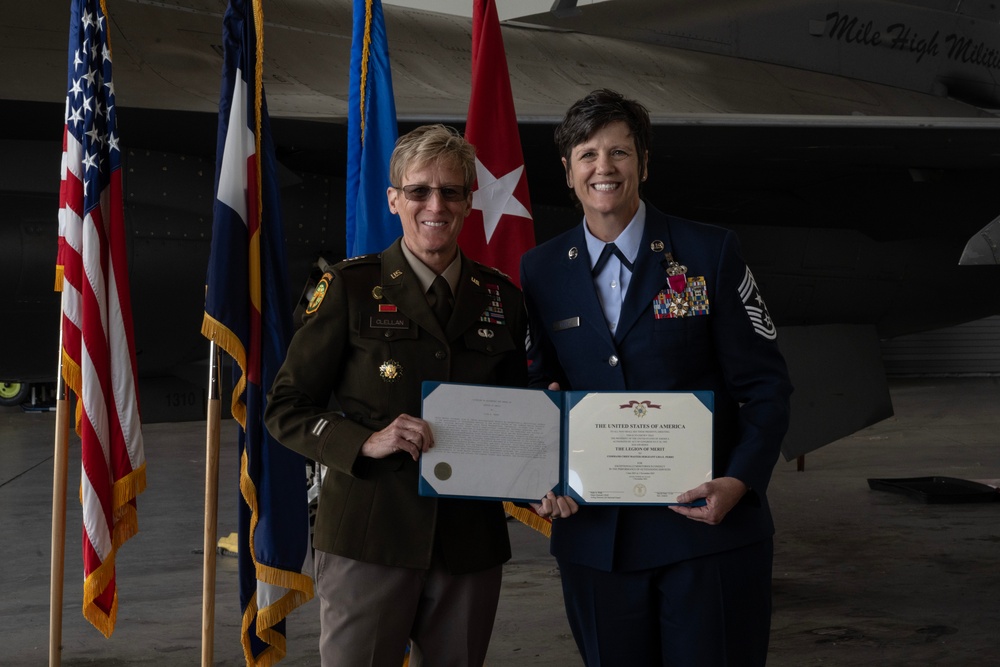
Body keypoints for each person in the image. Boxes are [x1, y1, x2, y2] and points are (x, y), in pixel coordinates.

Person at [521, 89, 793, 666]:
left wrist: (740, 483)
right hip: (596, 542)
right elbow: (539, 390)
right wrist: (538, 475)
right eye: (588, 154)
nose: (604, 168)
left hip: (708, 532)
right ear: (567, 171)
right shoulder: (541, 269)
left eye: (619, 152)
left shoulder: (710, 252)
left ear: (643, 162)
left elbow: (766, 387)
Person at [265, 124, 528, 667]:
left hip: (468, 544)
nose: (436, 204)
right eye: (419, 191)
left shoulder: (501, 297)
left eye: (451, 191)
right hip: (370, 536)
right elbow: (285, 407)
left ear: (469, 202)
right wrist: (365, 441)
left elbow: (520, 413)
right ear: (394, 200)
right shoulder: (348, 288)